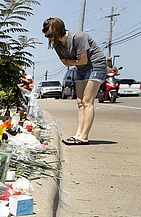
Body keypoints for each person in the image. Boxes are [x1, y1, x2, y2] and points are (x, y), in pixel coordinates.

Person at [42, 17, 107, 146]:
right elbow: (65, 63)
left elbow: (83, 60)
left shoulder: (78, 37)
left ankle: (84, 137)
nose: (49, 39)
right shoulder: (57, 45)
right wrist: (75, 61)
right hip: (80, 69)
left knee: (87, 101)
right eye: (46, 36)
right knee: (80, 102)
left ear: (58, 30)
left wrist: (72, 61)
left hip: (96, 66)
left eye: (50, 35)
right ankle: (78, 134)